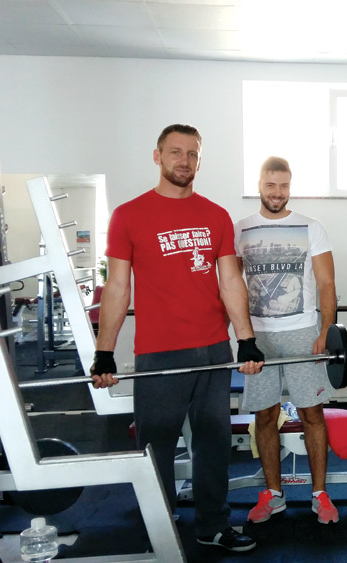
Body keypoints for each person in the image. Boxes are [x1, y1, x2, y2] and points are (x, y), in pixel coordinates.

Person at [90, 124, 265, 552]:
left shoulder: (215, 215)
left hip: (212, 349)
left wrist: (245, 339)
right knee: (157, 444)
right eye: (175, 152)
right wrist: (105, 352)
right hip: (158, 351)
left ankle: (212, 524)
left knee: (214, 442)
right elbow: (117, 288)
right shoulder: (129, 215)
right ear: (158, 157)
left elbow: (229, 280)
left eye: (191, 154)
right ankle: (159, 525)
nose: (183, 161)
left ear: (199, 161)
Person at [234, 156, 339, 525]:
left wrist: (327, 331)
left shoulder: (311, 227)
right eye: (270, 185)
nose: (277, 192)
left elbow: (326, 283)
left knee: (312, 413)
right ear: (259, 185)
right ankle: (273, 494)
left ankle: (320, 494)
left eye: (283, 185)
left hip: (303, 332)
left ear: (290, 187)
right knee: (265, 415)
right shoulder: (241, 229)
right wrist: (240, 334)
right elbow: (231, 286)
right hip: (258, 335)